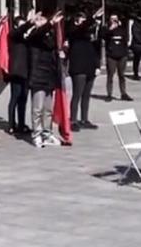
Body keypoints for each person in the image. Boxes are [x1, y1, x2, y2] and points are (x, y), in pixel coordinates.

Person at [27, 11, 63, 148]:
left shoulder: (50, 37)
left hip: (49, 76)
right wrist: (50, 23)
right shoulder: (34, 36)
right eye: (40, 20)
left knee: (48, 109)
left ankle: (47, 133)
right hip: (38, 76)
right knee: (38, 109)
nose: (43, 22)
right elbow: (40, 32)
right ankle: (36, 134)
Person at [67, 11, 101, 131]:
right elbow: (81, 28)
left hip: (90, 67)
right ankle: (73, 120)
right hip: (78, 68)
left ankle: (84, 119)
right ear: (77, 20)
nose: (84, 22)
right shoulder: (73, 30)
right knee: (77, 94)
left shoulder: (88, 34)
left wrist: (97, 66)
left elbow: (96, 51)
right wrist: (93, 17)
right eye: (82, 19)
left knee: (86, 95)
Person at [7, 15, 33, 135]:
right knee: (15, 98)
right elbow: (20, 31)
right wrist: (29, 23)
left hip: (26, 72)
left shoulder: (26, 39)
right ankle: (12, 124)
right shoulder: (13, 35)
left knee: (23, 99)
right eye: (21, 25)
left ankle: (21, 124)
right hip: (16, 72)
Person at [103, 14, 132, 101]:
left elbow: (126, 39)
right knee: (110, 75)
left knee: (121, 75)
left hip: (122, 55)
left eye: (115, 19)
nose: (114, 21)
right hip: (111, 56)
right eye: (112, 19)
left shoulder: (122, 29)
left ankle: (123, 93)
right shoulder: (106, 28)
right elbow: (103, 36)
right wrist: (111, 29)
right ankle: (109, 94)